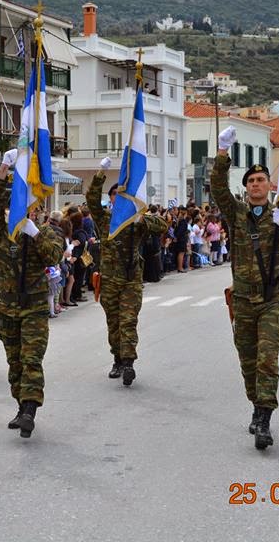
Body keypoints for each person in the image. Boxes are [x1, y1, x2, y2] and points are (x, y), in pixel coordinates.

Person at [212, 127, 279, 450]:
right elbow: (218, 190)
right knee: (247, 361)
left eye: (261, 180)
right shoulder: (237, 214)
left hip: (273, 299)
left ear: (270, 185)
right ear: (245, 188)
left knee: (267, 359)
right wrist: (221, 155)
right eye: (251, 181)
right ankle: (256, 405)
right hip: (243, 300)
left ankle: (264, 417)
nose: (256, 185)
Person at [0, 149, 64, 438]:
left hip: (33, 308)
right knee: (15, 363)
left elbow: (54, 256)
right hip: (7, 310)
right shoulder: (3, 232)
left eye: (34, 208)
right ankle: (21, 406)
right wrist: (4, 168)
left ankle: (30, 409)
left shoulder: (48, 232)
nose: (29, 212)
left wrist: (36, 233)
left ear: (39, 209)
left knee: (31, 360)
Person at [86, 157, 168, 385]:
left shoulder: (137, 221)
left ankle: (129, 362)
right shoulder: (104, 219)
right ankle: (118, 359)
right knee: (114, 323)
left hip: (131, 280)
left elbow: (163, 226)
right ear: (111, 199)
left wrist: (143, 218)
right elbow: (91, 199)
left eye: (122, 195)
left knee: (128, 321)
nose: (118, 198)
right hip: (110, 280)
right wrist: (101, 173)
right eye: (114, 195)